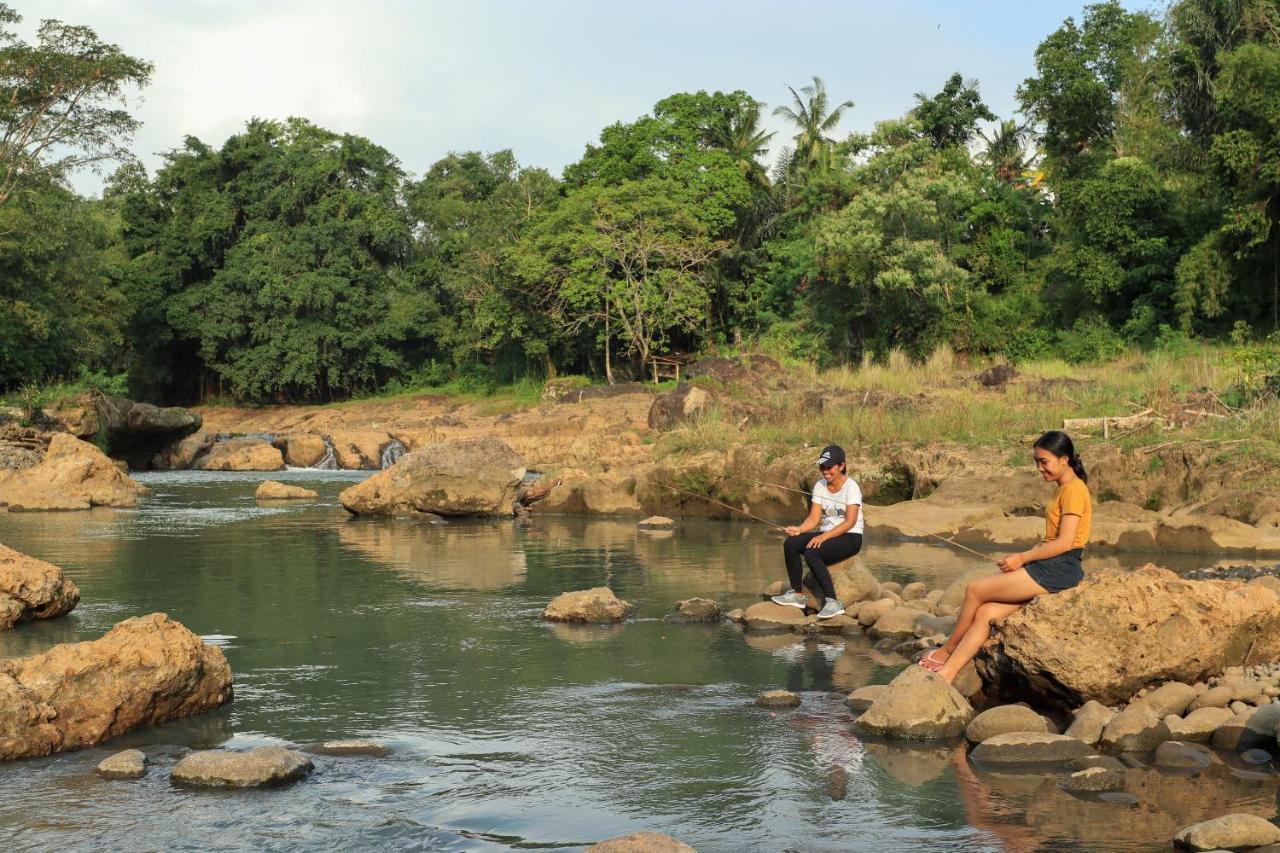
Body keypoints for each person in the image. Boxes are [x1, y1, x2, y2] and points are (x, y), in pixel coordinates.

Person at [920, 430, 1091, 683]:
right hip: (1051, 566)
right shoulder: (1062, 489)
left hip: (1060, 569)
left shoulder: (1074, 490)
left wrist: (1022, 559)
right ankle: (947, 674)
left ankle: (947, 650)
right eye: (1037, 462)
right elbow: (1052, 539)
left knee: (975, 589)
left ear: (1064, 459)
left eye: (1044, 462)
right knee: (986, 612)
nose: (1040, 468)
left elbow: (1066, 542)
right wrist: (1027, 557)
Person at [771, 445, 865, 620]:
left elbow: (850, 522)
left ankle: (833, 602)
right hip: (828, 534)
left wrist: (823, 536)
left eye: (829, 467)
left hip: (850, 536)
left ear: (841, 466)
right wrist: (798, 529)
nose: (825, 471)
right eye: (822, 467)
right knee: (791, 543)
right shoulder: (820, 486)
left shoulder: (851, 487)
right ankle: (797, 595)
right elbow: (814, 519)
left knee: (812, 551)